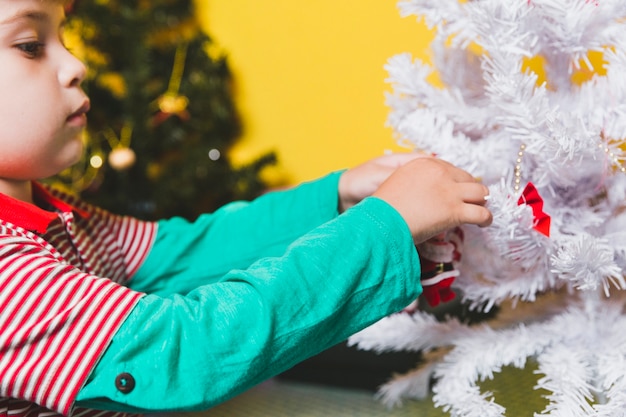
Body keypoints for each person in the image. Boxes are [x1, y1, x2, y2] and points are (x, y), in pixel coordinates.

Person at [0, 1, 492, 416]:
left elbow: (180, 254)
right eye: (29, 45)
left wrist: (335, 197)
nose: (74, 64)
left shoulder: (59, 212)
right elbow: (187, 348)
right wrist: (385, 226)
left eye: (62, 37)